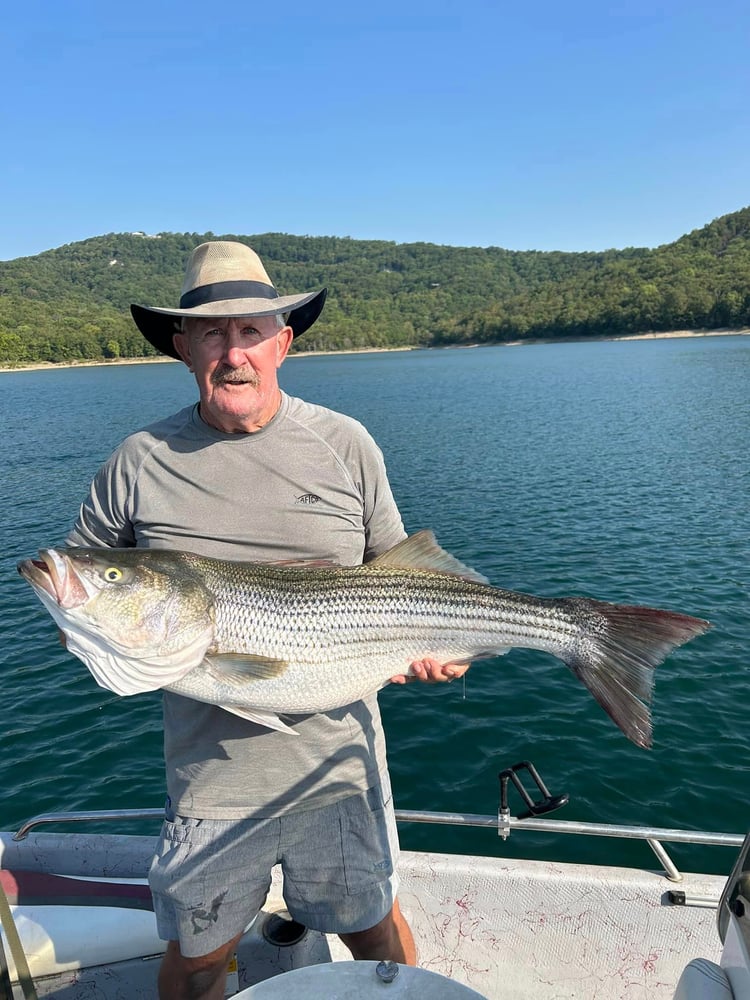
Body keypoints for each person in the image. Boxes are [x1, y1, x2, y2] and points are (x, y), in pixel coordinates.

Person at [66, 241, 469, 1000]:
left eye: (251, 331)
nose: (234, 352)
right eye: (213, 334)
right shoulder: (138, 460)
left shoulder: (345, 444)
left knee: (374, 928)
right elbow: (83, 582)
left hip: (339, 768)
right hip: (209, 784)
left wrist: (436, 644)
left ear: (283, 342)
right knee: (194, 959)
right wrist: (88, 624)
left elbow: (405, 575)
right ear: (183, 349)